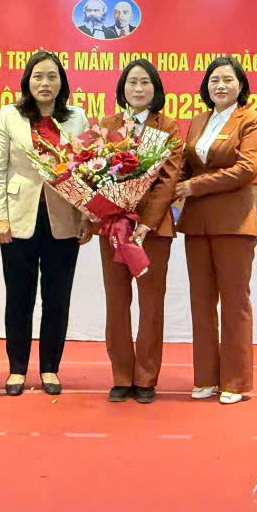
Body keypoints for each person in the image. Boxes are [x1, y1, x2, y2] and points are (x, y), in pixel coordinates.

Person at [0, 50, 91, 396]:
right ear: (27, 82)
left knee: (57, 298)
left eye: (51, 76)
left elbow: (87, 171)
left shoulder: (77, 118)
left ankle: (50, 367)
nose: (44, 83)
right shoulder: (9, 115)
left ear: (62, 82)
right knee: (19, 297)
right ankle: (17, 369)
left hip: (63, 218)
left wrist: (86, 217)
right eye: (38, 76)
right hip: (19, 217)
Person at [175, 56, 257, 405]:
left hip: (233, 223)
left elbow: (247, 169)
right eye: (214, 80)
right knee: (200, 303)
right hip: (196, 224)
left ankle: (235, 380)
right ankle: (205, 377)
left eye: (228, 79)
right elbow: (185, 168)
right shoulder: (198, 121)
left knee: (234, 302)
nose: (220, 86)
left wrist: (193, 187)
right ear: (206, 87)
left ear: (241, 86)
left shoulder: (253, 120)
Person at [98, 58, 182, 404]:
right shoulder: (107, 126)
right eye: (132, 82)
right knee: (116, 304)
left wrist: (146, 223)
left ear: (155, 89)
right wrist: (109, 211)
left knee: (151, 305)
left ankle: (146, 378)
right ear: (122, 88)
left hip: (153, 231)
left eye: (145, 82)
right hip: (113, 228)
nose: (138, 88)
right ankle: (121, 376)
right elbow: (94, 174)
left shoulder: (168, 128)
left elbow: (167, 181)